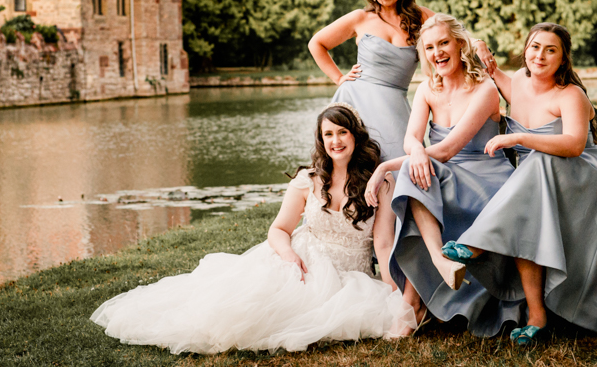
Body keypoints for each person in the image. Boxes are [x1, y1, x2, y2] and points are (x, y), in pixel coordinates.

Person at [89, 103, 415, 354]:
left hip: (350, 272)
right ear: (321, 140)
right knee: (242, 309)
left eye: (341, 132)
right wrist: (289, 255)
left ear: (354, 135)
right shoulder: (307, 181)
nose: (336, 141)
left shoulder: (380, 184)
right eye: (328, 134)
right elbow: (278, 229)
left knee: (326, 316)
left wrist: (391, 290)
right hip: (302, 259)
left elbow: (383, 245)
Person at [444, 23, 597, 345]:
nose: (539, 55)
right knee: (527, 203)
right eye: (534, 47)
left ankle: (476, 244)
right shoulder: (518, 81)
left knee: (537, 164)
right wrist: (483, 52)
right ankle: (537, 318)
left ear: (563, 58)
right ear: (525, 50)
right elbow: (500, 78)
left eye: (550, 49)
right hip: (538, 182)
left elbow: (573, 146)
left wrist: (516, 136)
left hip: (582, 176)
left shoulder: (571, 95)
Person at [364, 14, 522, 337]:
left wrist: (385, 166)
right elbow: (412, 139)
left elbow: (449, 149)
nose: (437, 52)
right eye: (430, 47)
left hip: (484, 174)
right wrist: (415, 151)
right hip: (443, 171)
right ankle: (438, 264)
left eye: (444, 43)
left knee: (411, 168)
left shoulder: (486, 89)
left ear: (460, 44)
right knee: (414, 168)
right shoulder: (426, 89)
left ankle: (415, 302)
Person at [308, 0, 434, 161]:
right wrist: (339, 79)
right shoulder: (361, 18)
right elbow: (316, 43)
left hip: (395, 107)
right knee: (352, 168)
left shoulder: (420, 17)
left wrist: (479, 44)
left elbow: (456, 34)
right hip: (355, 101)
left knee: (406, 165)